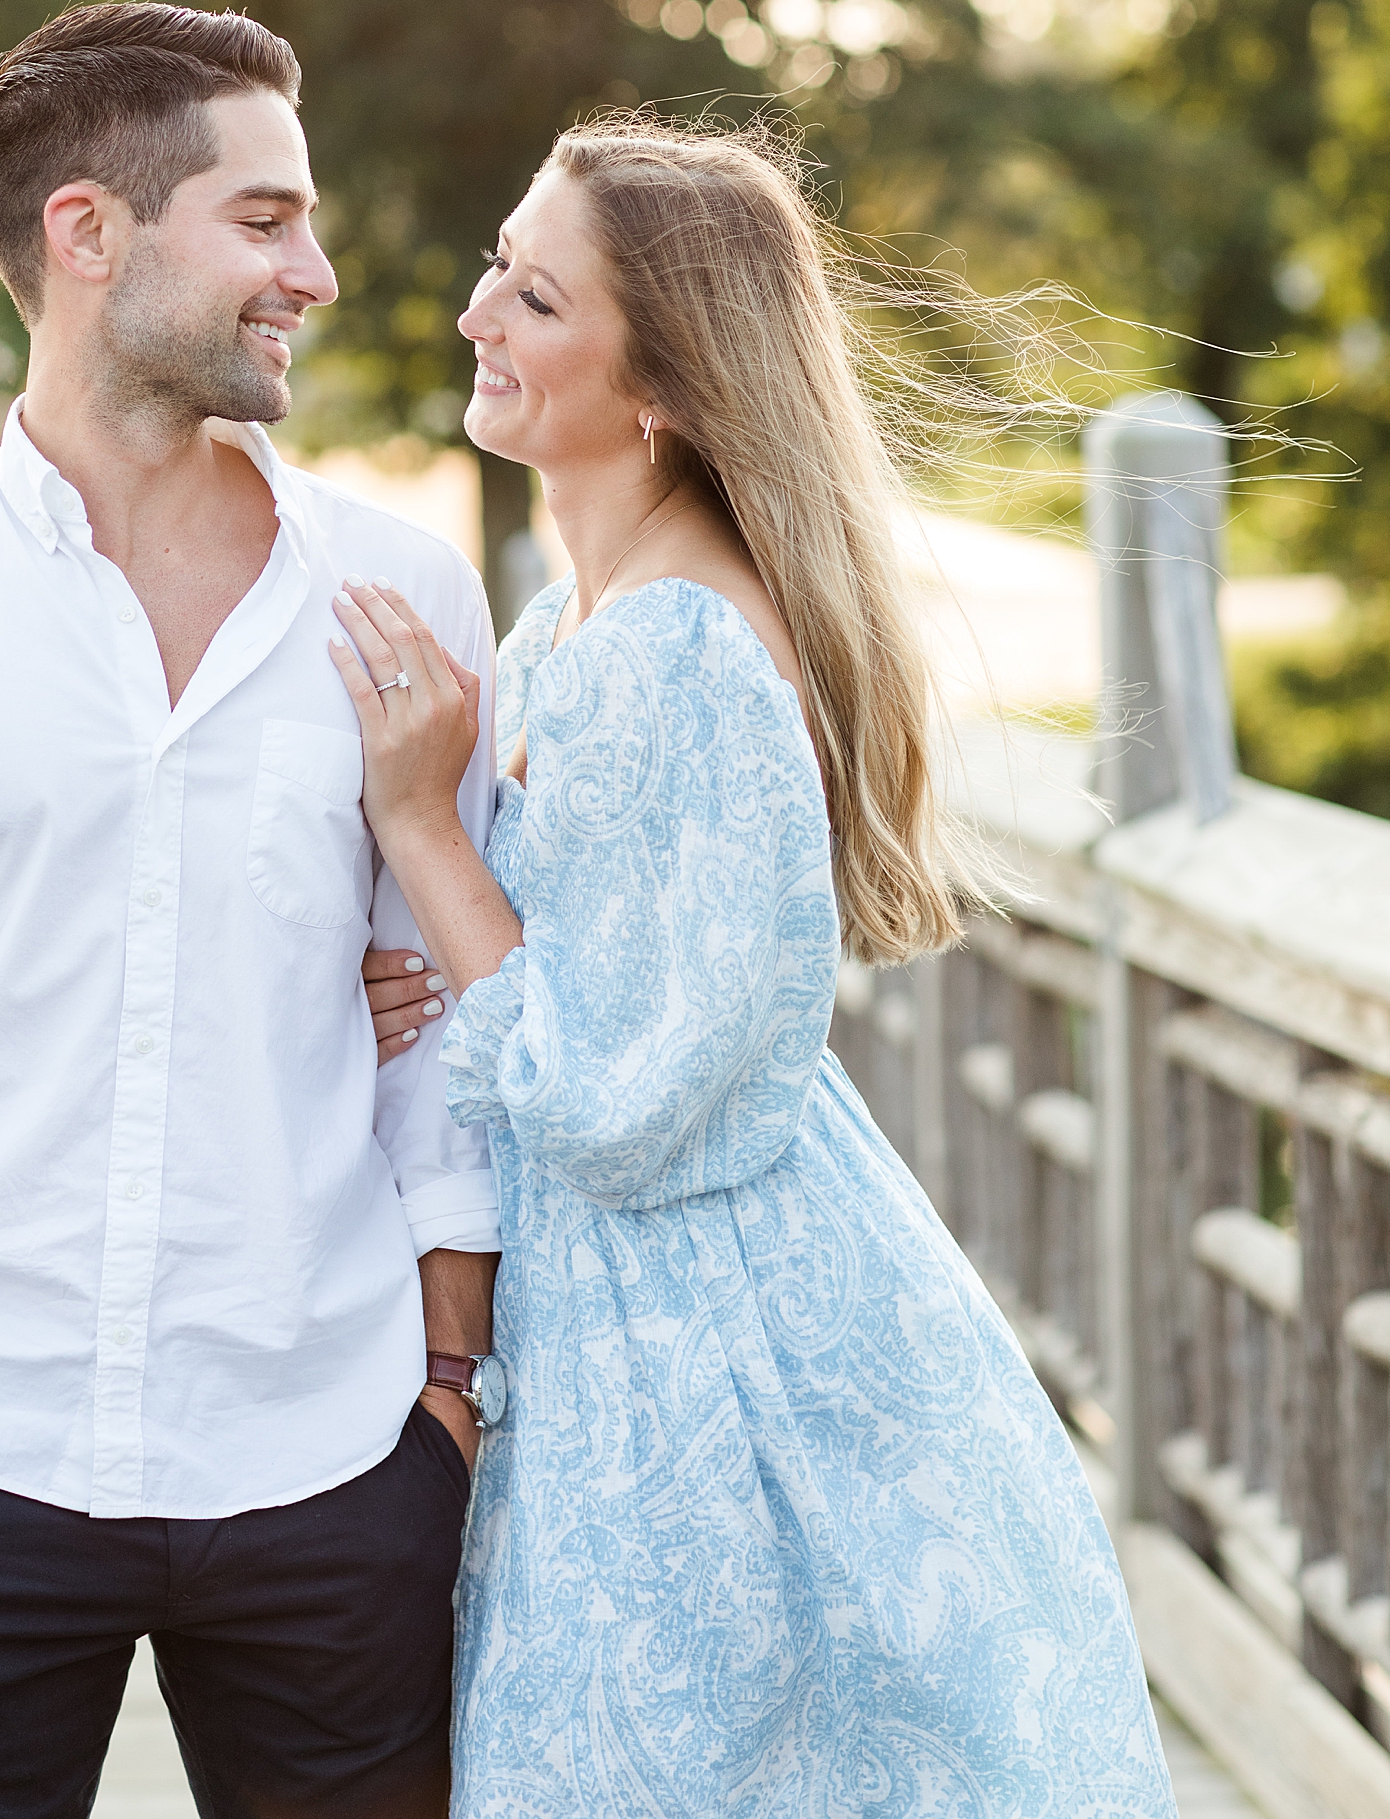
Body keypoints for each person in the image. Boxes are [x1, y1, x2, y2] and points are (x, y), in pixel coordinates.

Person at [0, 1, 502, 1819]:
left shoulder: (399, 595)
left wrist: (444, 1411)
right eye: (267, 219)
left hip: (336, 1458)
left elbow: (456, 1052)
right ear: (90, 233)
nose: (321, 268)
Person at [338, 117, 1176, 1817]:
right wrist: (411, 960)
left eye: (537, 298)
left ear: (663, 386)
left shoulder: (681, 653)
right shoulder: (574, 619)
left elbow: (623, 1106)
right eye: (499, 265)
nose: (475, 314)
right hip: (618, 1312)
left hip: (709, 1337)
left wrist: (424, 829)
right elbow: (584, 969)